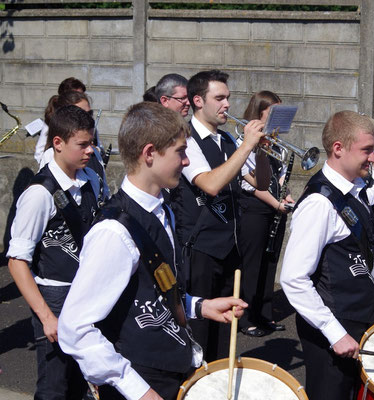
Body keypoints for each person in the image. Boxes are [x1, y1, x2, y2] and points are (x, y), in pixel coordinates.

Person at [58, 102, 247, 400]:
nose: (186, 161)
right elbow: (75, 328)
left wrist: (200, 306)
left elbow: (152, 292)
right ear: (149, 154)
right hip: (139, 383)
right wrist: (137, 390)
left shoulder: (164, 211)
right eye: (180, 152)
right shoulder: (113, 232)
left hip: (170, 370)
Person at [280, 110, 374, 400]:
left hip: (357, 320)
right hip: (333, 328)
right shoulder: (318, 203)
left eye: (373, 149)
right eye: (367, 149)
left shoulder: (355, 192)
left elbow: (365, 258)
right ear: (338, 148)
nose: (373, 157)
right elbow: (293, 278)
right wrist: (334, 332)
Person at [170, 69, 270, 361]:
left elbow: (260, 183)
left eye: (228, 97)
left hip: (229, 247)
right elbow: (210, 184)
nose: (227, 104)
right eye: (220, 98)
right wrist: (247, 146)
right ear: (198, 101)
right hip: (200, 249)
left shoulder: (227, 141)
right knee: (199, 332)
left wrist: (261, 152)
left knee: (225, 331)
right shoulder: (185, 139)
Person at [7, 105, 105, 400]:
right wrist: (47, 317)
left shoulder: (92, 179)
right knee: (54, 386)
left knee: (82, 382)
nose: (91, 150)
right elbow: (16, 261)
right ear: (58, 144)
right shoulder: (38, 194)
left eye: (93, 142)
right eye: (83, 144)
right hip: (55, 297)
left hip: (87, 293)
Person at [237, 91, 295, 337]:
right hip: (254, 208)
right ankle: (246, 318)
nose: (277, 118)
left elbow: (280, 175)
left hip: (274, 208)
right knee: (252, 263)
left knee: (270, 261)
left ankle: (265, 314)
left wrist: (286, 194)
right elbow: (248, 181)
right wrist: (276, 203)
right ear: (259, 112)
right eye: (273, 112)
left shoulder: (276, 142)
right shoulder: (245, 140)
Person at [37, 91, 110, 200]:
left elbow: (104, 192)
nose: (87, 118)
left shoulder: (93, 154)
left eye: (89, 113)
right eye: (80, 113)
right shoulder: (50, 158)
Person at [34, 77, 86, 164]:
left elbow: (98, 146)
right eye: (76, 96)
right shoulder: (53, 120)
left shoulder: (87, 120)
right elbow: (39, 153)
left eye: (82, 95)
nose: (81, 99)